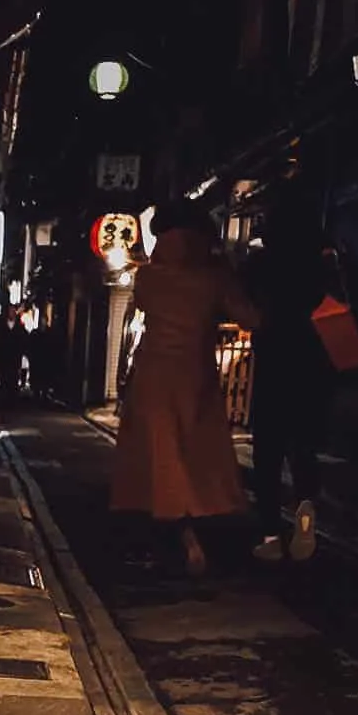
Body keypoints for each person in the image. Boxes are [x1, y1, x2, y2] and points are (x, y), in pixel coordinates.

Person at [111, 202, 258, 576]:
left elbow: (143, 307)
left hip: (152, 376)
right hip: (196, 376)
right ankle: (194, 533)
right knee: (193, 455)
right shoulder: (214, 277)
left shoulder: (149, 278)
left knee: (157, 458)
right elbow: (250, 317)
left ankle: (170, 536)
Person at [244, 178, 333, 561]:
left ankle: (269, 537)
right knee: (304, 453)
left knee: (267, 453)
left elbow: (244, 305)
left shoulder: (262, 262)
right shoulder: (326, 261)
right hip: (314, 366)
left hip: (274, 364)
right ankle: (305, 531)